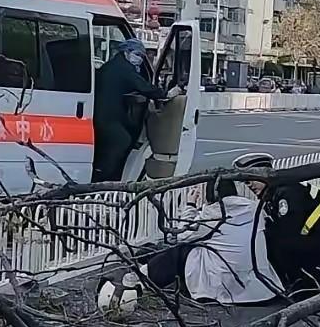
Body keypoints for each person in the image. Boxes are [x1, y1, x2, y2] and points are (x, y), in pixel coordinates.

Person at [143, 175, 282, 304]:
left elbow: (182, 235)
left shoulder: (214, 212)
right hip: (260, 288)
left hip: (226, 286)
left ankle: (144, 276)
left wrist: (190, 205)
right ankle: (147, 259)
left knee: (181, 250)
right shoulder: (254, 208)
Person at [234, 153, 320, 296]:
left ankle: (310, 284)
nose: (248, 185)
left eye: (251, 179)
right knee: (271, 238)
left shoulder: (287, 192)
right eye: (245, 182)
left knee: (276, 242)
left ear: (265, 175)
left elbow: (288, 231)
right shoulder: (276, 192)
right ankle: (293, 281)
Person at [93, 40, 174, 182]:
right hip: (107, 116)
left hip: (101, 112)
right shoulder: (124, 69)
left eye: (142, 56)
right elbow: (143, 86)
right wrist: (166, 94)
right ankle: (105, 178)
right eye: (137, 55)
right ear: (126, 52)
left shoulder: (112, 65)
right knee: (122, 140)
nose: (140, 59)